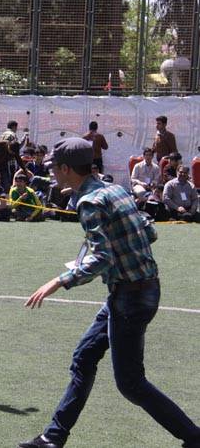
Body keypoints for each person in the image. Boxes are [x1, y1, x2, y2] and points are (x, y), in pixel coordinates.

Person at [19, 137, 200, 448]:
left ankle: (194, 437)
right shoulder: (115, 190)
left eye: (54, 168)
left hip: (130, 297)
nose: (52, 173)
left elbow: (102, 258)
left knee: (130, 383)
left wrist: (59, 281)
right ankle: (54, 437)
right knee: (84, 357)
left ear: (66, 169)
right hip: (137, 290)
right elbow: (150, 232)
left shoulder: (90, 203)